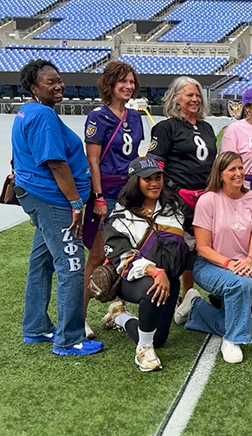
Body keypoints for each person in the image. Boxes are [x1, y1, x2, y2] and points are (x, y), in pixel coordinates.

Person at [12, 59, 103, 356]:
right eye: (50, 82)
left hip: (40, 198)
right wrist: (76, 203)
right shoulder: (42, 116)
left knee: (41, 263)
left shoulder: (28, 111)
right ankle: (69, 338)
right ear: (33, 87)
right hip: (54, 200)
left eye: (59, 80)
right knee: (71, 265)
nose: (58, 85)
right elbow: (56, 164)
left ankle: (36, 326)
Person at [100, 156, 189, 371]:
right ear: (135, 182)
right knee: (152, 288)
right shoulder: (120, 217)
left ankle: (120, 317)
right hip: (134, 280)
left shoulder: (173, 207)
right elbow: (123, 257)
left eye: (158, 177)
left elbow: (188, 242)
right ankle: (143, 350)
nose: (154, 183)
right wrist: (154, 271)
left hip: (169, 279)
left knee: (159, 339)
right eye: (147, 179)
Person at [177, 152, 252, 363]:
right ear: (220, 174)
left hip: (244, 264)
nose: (238, 173)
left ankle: (195, 305)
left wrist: (250, 259)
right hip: (210, 265)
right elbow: (202, 248)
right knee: (241, 285)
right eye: (232, 169)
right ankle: (232, 340)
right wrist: (228, 263)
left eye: (240, 168)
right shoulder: (208, 200)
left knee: (237, 304)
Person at [81, 60, 143, 339]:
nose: (128, 86)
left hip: (128, 193)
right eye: (123, 81)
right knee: (97, 256)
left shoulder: (135, 116)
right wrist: (98, 197)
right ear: (110, 84)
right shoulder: (97, 117)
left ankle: (117, 308)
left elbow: (134, 155)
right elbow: (93, 161)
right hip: (105, 191)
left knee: (125, 252)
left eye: (131, 82)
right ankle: (79, 317)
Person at [149, 76, 217, 299]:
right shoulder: (165, 128)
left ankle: (188, 295)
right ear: (176, 98)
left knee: (196, 247)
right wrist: (175, 190)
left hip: (203, 198)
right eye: (189, 95)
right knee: (174, 248)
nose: (195, 99)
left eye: (198, 95)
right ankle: (166, 293)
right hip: (176, 198)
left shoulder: (206, 128)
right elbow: (155, 166)